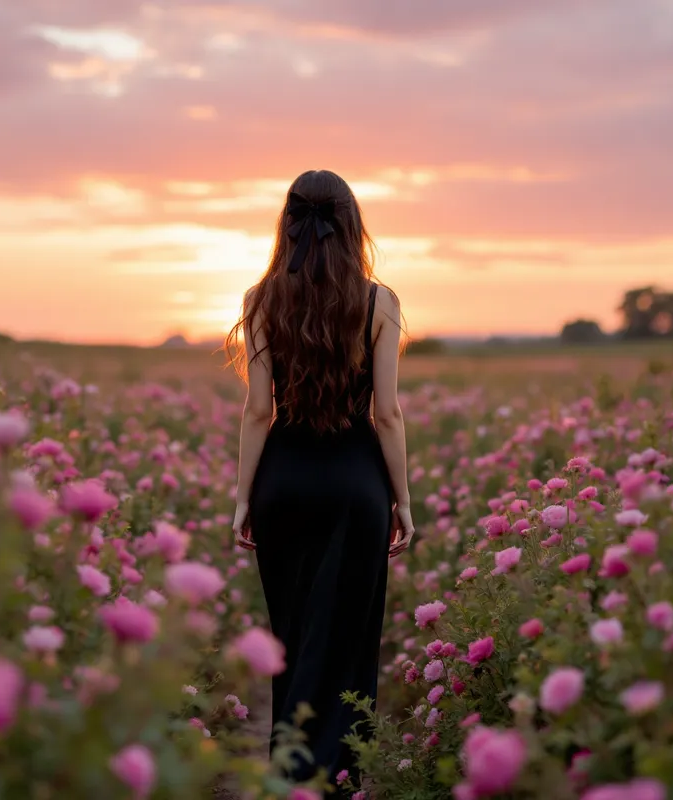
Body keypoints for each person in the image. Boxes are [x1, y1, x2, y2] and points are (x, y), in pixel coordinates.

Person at [226, 169, 414, 795]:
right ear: (351, 223)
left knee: (294, 632)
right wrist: (402, 500)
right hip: (356, 485)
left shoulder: (260, 299)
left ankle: (288, 770)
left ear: (288, 221)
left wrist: (243, 497)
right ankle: (333, 779)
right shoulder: (377, 301)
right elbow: (385, 413)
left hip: (284, 482)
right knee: (347, 638)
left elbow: (259, 411)